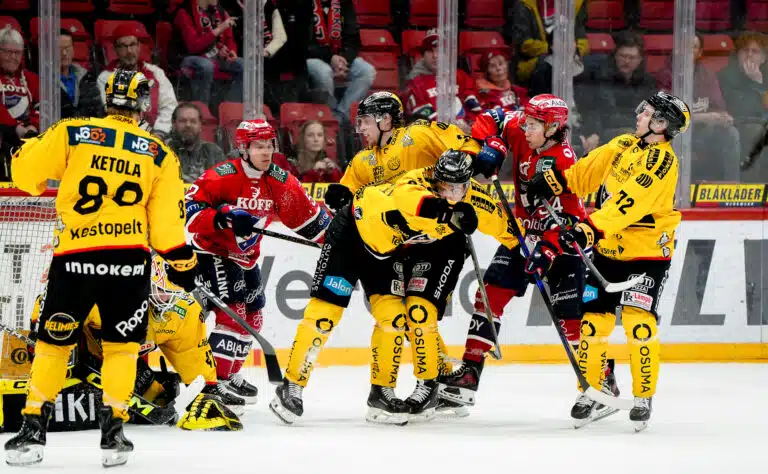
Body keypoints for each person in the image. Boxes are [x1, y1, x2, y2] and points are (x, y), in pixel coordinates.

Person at [4, 69, 199, 467]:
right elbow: (166, 230)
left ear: (106, 98)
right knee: (122, 349)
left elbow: (24, 177)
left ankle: (31, 434)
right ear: (145, 104)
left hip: (75, 259)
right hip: (129, 263)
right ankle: (113, 437)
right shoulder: (159, 153)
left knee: (53, 346)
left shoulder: (73, 132)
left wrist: (23, 151)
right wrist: (183, 264)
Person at [269, 149, 518, 425]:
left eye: (456, 187)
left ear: (467, 184)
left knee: (395, 318)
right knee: (325, 315)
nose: (449, 192)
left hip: (387, 253)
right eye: (443, 186)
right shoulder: (414, 183)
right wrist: (450, 215)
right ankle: (291, 385)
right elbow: (417, 204)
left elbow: (509, 232)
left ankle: (381, 393)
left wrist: (532, 255)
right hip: (350, 233)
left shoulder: (475, 201)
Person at [438, 96, 617, 420]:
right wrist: (483, 148)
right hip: (525, 235)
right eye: (526, 122)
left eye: (532, 125)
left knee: (571, 322)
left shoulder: (560, 161)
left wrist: (547, 251)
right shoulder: (524, 129)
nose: (524, 128)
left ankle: (602, 382)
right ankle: (468, 376)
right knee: (489, 294)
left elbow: (565, 219)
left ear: (552, 127)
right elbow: (493, 118)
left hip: (562, 241)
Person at [527, 90, 690, 431]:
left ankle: (643, 396)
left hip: (645, 255)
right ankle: (592, 389)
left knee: (638, 323)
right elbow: (586, 171)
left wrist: (589, 229)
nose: (639, 115)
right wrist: (556, 181)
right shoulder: (625, 145)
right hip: (609, 251)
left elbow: (627, 204)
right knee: (592, 324)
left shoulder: (662, 162)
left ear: (661, 124)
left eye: (647, 113)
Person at [8, 254, 243, 432]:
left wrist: (207, 390)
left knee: (155, 397)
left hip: (123, 364)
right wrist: (49, 340)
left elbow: (191, 351)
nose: (166, 303)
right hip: (77, 358)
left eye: (172, 296)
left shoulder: (183, 312)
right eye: (160, 292)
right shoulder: (105, 292)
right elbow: (53, 304)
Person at [185, 118, 330, 403]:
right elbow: (189, 213)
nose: (266, 152)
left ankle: (231, 373)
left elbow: (313, 224)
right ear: (243, 148)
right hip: (213, 252)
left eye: (269, 145)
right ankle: (217, 383)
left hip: (247, 259)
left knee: (254, 315)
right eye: (258, 146)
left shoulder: (280, 182)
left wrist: (338, 240)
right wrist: (223, 217)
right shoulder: (222, 176)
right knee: (233, 314)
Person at [324, 91, 507, 213]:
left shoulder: (419, 133)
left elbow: (466, 144)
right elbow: (350, 196)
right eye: (359, 123)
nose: (362, 128)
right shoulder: (361, 160)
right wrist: (343, 199)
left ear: (386, 120)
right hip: (393, 238)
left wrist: (470, 161)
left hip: (437, 227)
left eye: (366, 121)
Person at [97, 23, 178, 137]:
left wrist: (159, 132)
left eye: (132, 44)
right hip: (122, 135)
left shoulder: (156, 73)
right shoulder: (106, 77)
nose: (129, 51)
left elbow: (169, 106)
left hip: (158, 136)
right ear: (116, 50)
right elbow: (115, 112)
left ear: (139, 46)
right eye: (123, 46)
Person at [166, 102, 227, 182]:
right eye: (183, 121)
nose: (188, 125)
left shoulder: (213, 152)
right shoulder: (163, 151)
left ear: (200, 125)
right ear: (174, 124)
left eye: (193, 121)